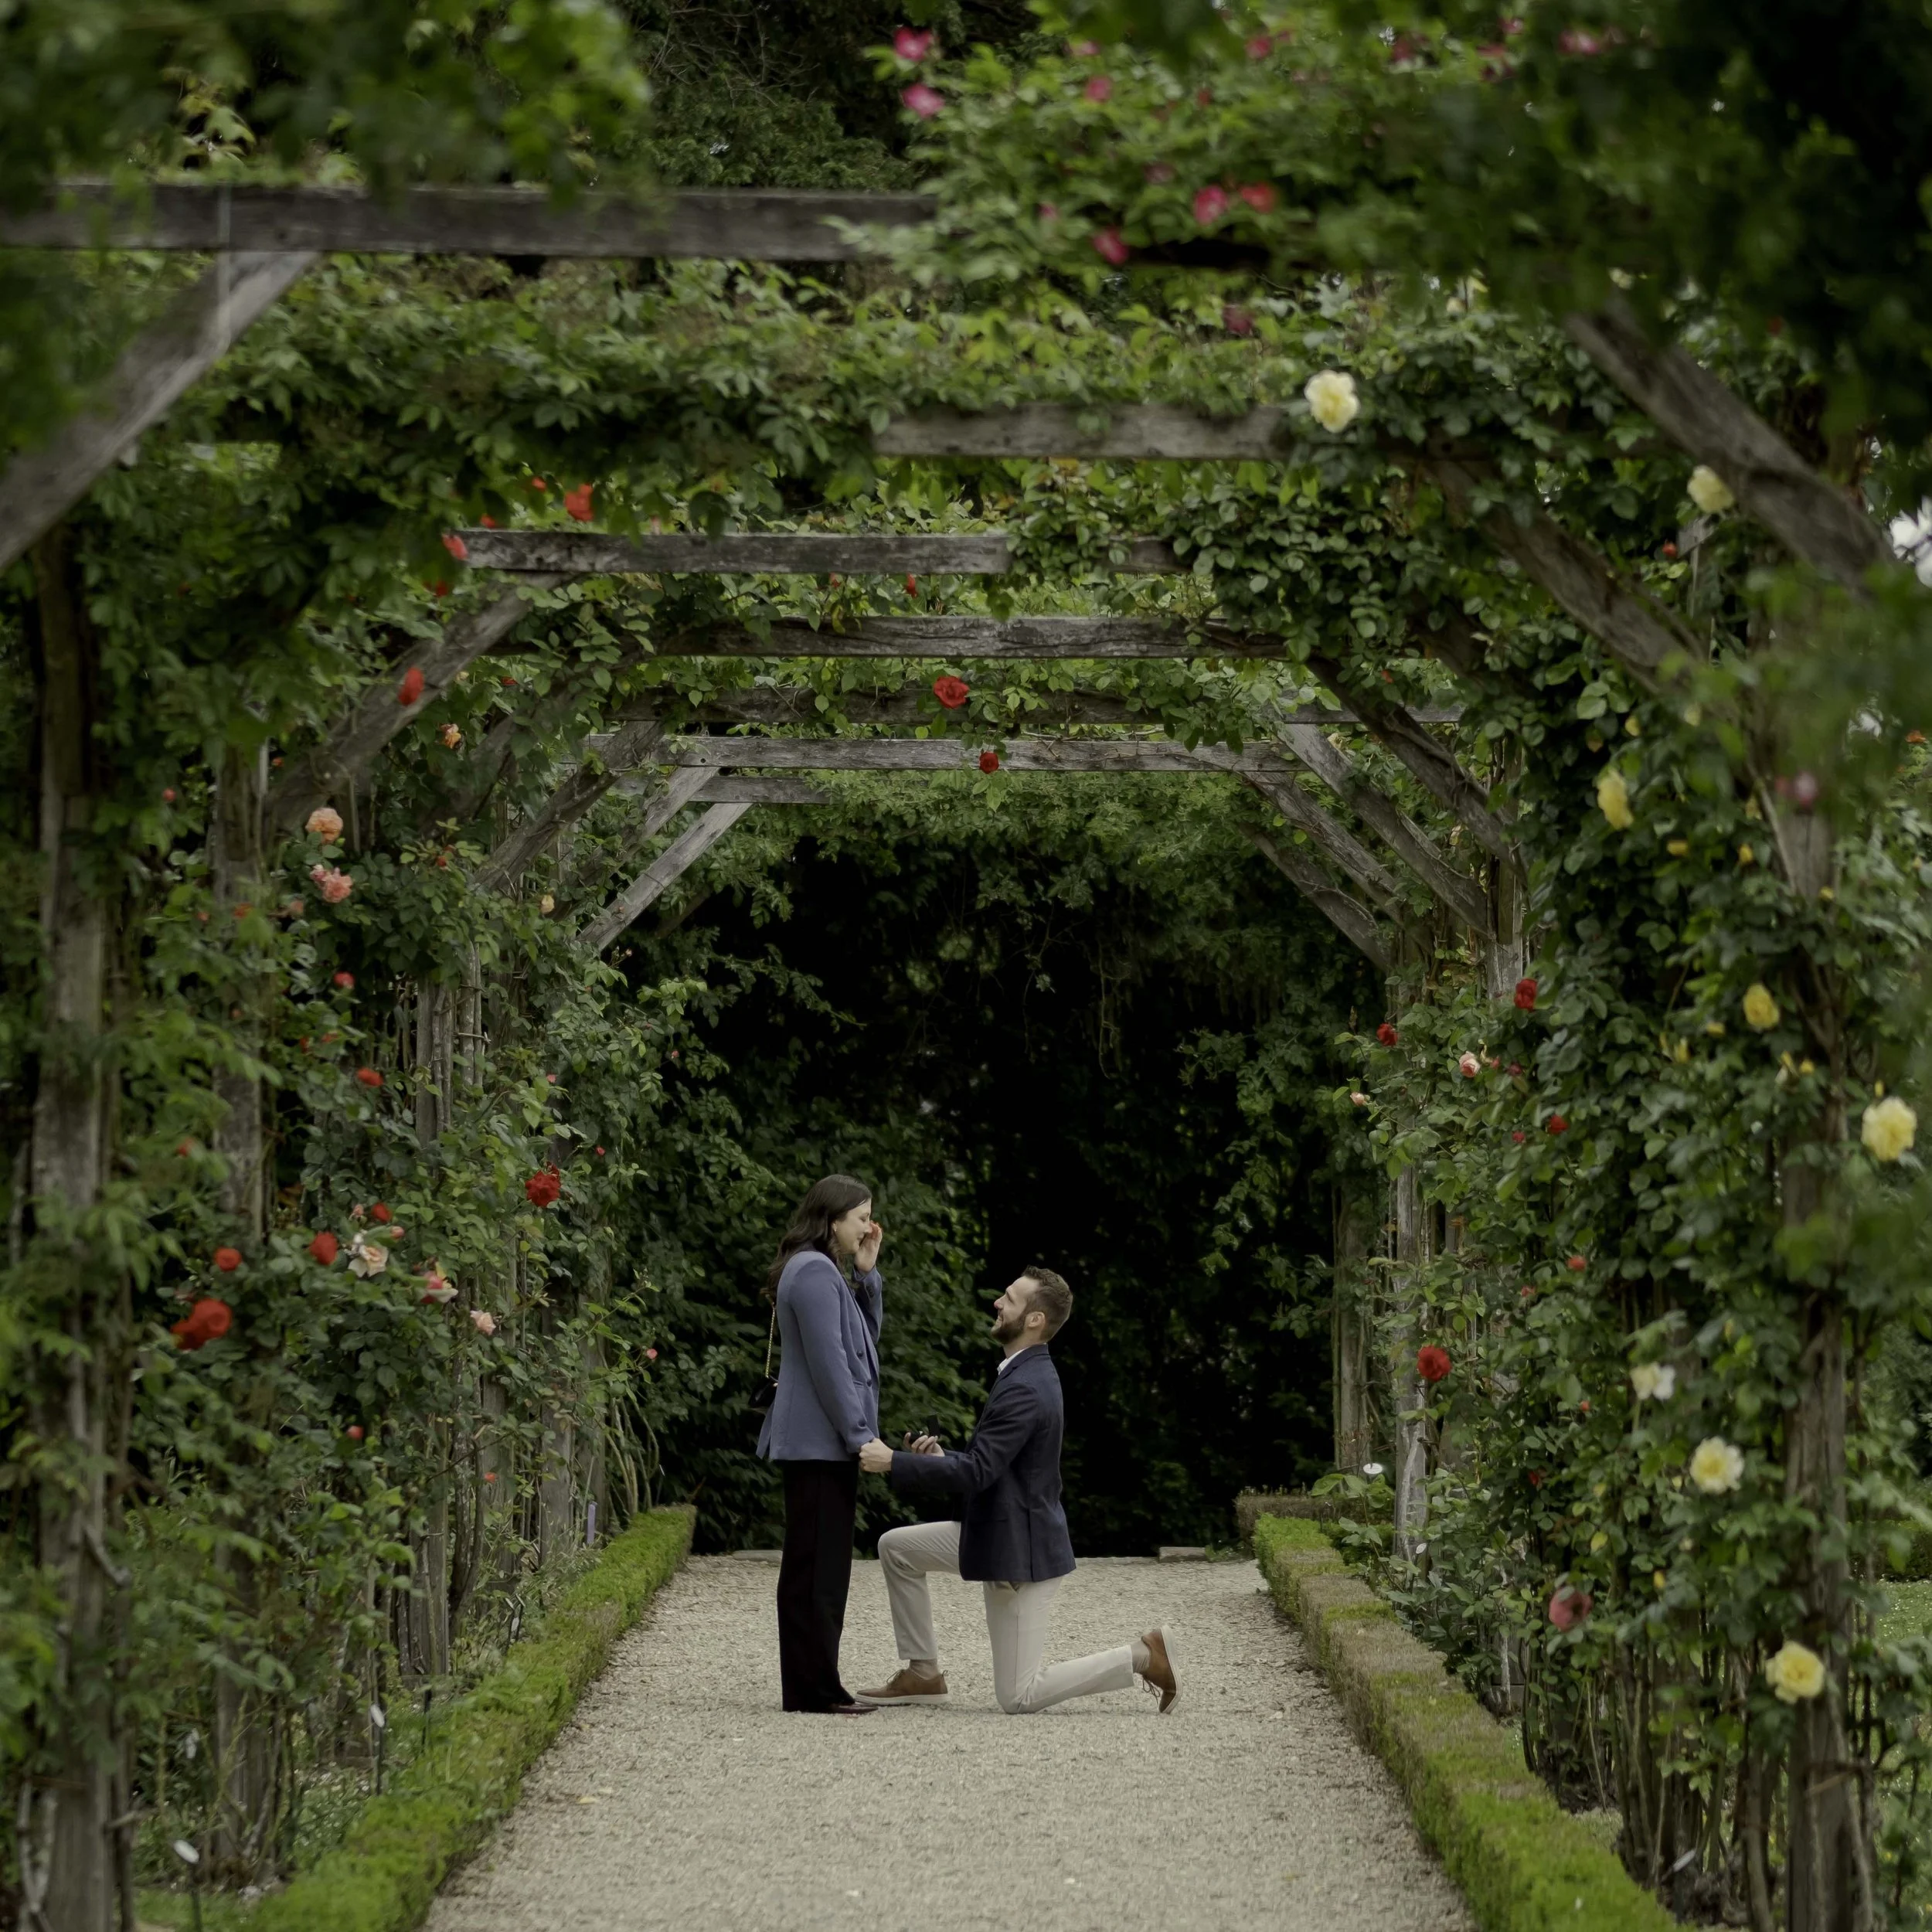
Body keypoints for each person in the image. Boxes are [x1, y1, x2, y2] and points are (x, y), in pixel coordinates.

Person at [856, 1267, 1179, 1716]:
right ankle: (923, 1673)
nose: (997, 1303)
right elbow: (991, 1467)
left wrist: (894, 1461)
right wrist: (937, 1461)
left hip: (1018, 1551)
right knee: (897, 1548)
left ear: (1034, 1321)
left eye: (1009, 1298)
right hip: (996, 1530)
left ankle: (1145, 1656)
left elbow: (980, 1472)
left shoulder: (1026, 1387)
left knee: (1018, 1696)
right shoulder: (1023, 1372)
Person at [757, 1174, 885, 1716]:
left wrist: (868, 1277)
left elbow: (864, 1347)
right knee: (816, 1571)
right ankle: (813, 1690)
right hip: (820, 1443)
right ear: (832, 1220)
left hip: (827, 1443)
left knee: (823, 1567)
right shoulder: (811, 1272)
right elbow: (833, 1368)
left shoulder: (827, 1273)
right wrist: (861, 1437)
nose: (869, 1227)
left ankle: (818, 1685)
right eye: (861, 1218)